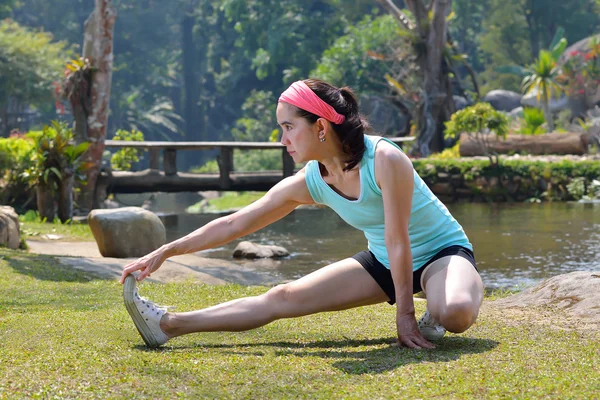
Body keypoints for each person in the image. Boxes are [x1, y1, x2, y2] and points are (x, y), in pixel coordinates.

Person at [120, 78, 484, 350]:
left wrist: (404, 316)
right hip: (384, 263)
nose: (283, 140)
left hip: (441, 254)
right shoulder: (311, 180)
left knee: (454, 313)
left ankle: (434, 303)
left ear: (321, 127)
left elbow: (398, 237)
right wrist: (166, 250)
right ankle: (168, 325)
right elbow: (236, 222)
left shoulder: (384, 160)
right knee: (282, 298)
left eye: (288, 127)